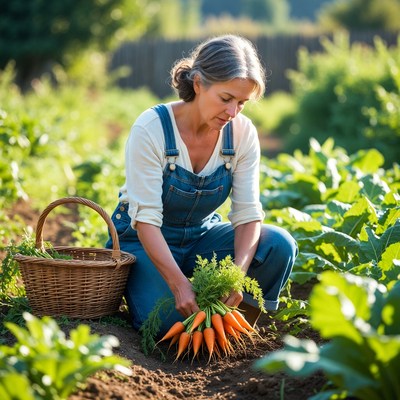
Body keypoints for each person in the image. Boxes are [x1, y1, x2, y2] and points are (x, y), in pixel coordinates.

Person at [106, 34, 298, 334]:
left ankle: (231, 331)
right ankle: (168, 295)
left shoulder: (241, 134)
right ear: (198, 84)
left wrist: (236, 275)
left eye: (242, 103)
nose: (233, 112)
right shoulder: (152, 128)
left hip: (201, 237)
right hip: (145, 241)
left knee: (278, 245)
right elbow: (145, 222)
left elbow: (248, 215)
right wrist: (179, 285)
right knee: (170, 324)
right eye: (226, 99)